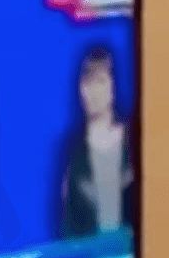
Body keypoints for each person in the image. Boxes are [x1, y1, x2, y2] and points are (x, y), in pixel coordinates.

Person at [56, 45, 137, 239]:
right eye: (87, 82)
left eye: (100, 81)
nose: (93, 91)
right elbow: (69, 223)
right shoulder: (72, 152)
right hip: (91, 254)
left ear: (114, 87)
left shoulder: (134, 141)